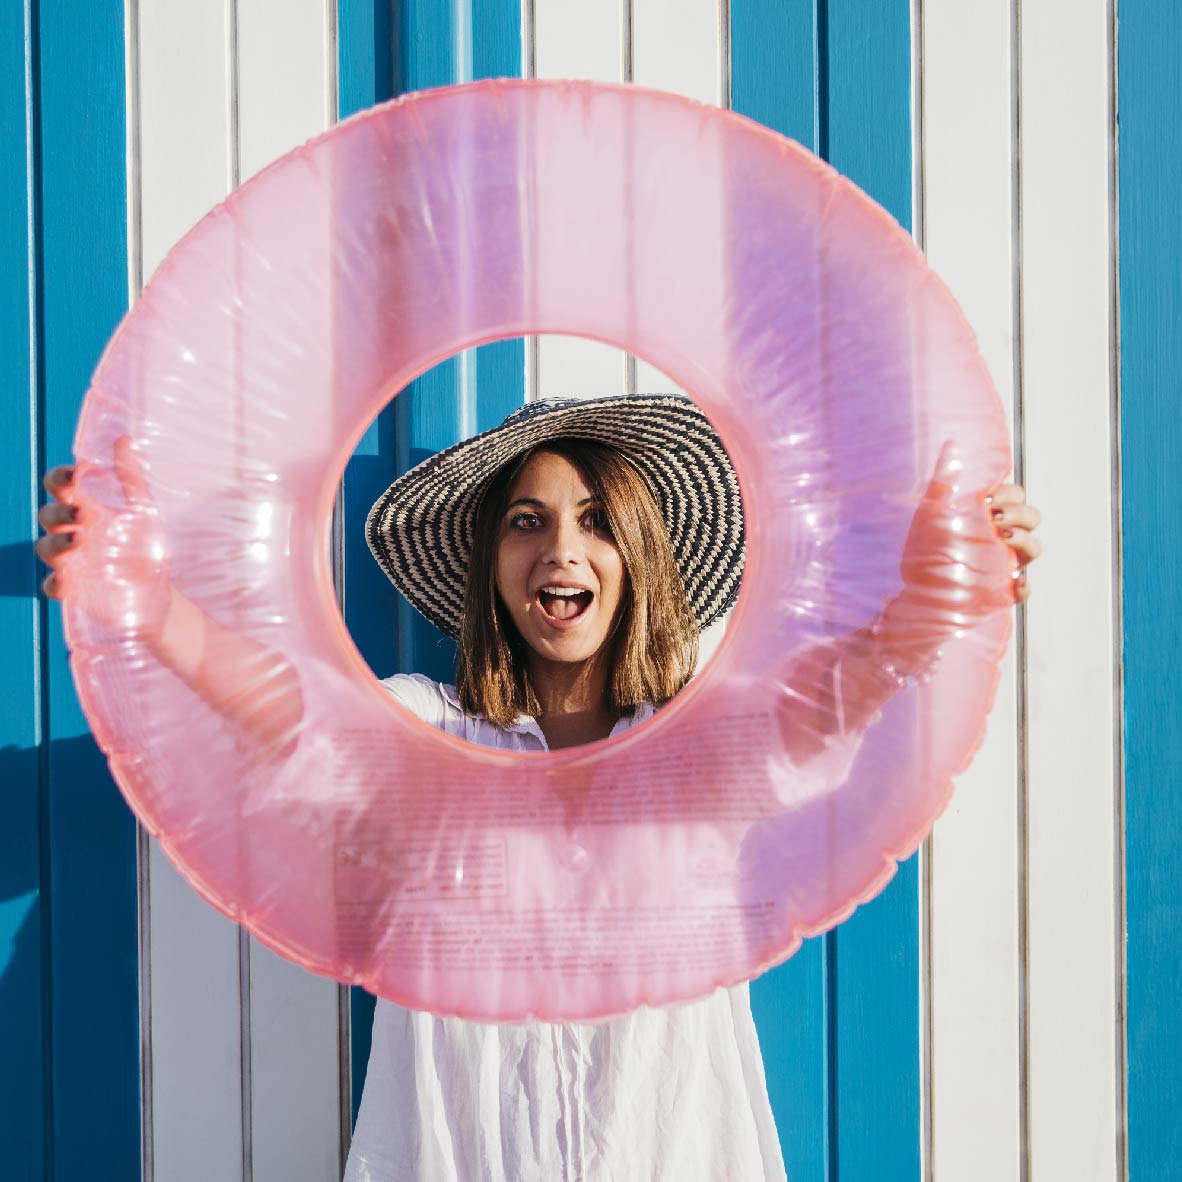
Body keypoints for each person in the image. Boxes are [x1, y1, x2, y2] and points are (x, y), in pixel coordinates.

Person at [36, 393, 1041, 1181]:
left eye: (597, 520)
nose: (562, 548)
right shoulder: (428, 737)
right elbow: (296, 714)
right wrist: (157, 611)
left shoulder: (697, 745)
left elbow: (828, 704)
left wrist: (929, 606)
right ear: (492, 567)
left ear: (637, 557)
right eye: (528, 521)